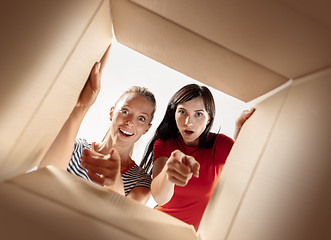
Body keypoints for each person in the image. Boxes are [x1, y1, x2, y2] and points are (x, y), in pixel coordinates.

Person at [39, 44, 156, 204]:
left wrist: (115, 185)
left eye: (141, 118)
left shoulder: (141, 182)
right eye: (125, 111)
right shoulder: (75, 147)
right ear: (111, 113)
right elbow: (45, 175)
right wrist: (82, 107)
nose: (130, 122)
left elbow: (122, 220)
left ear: (147, 129)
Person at [140, 84, 255, 230]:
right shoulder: (164, 144)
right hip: (156, 228)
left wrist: (240, 134)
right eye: (182, 112)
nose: (188, 122)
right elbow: (160, 198)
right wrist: (169, 173)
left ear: (208, 119)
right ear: (174, 113)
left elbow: (249, 172)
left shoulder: (221, 145)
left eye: (198, 114)